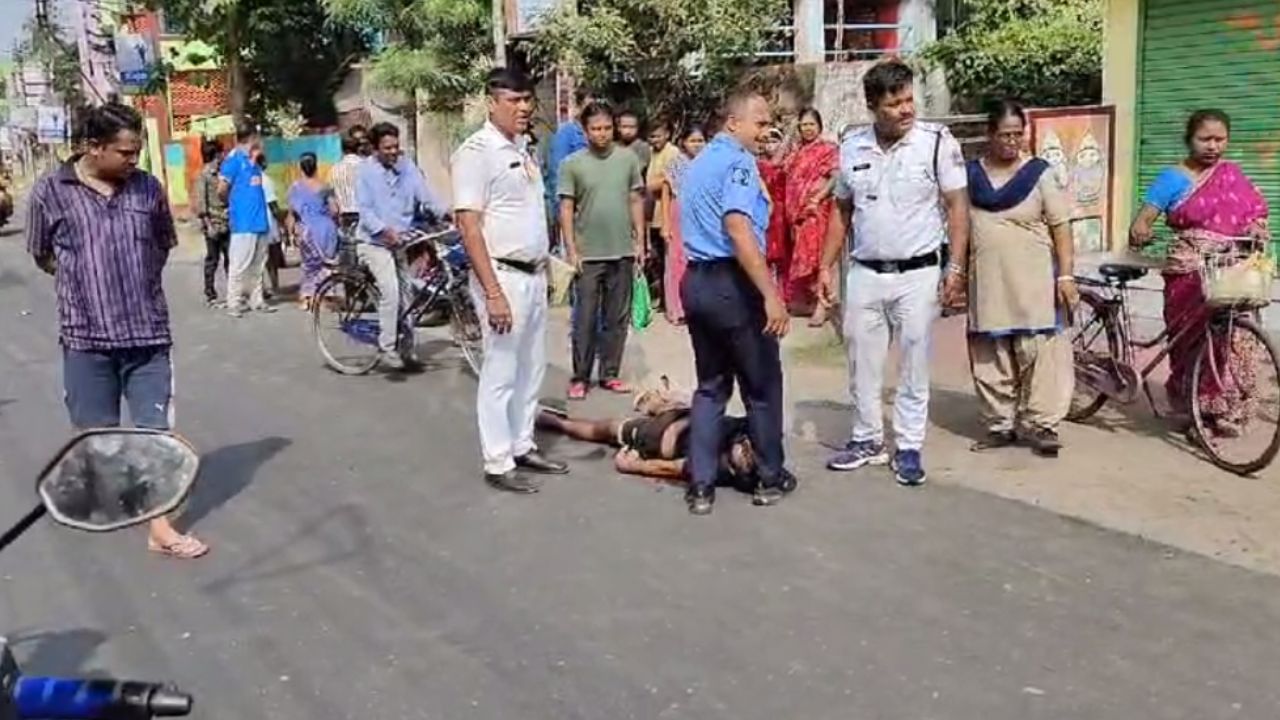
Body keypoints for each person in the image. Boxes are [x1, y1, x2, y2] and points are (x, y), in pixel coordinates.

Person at [26, 103, 208, 559]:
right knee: (97, 438)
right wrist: (87, 283)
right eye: (125, 152)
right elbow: (42, 253)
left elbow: (163, 244)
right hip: (86, 340)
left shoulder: (148, 189)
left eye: (137, 151)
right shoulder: (51, 192)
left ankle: (160, 528)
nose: (134, 160)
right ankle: (110, 501)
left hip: (147, 336)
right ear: (93, 147)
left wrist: (133, 282)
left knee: (155, 438)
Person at [816, 59, 970, 487]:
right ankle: (866, 439)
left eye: (908, 100)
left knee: (913, 363)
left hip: (919, 273)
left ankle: (907, 447)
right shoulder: (852, 145)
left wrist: (955, 265)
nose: (906, 110)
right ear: (872, 106)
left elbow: (957, 206)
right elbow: (841, 210)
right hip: (864, 272)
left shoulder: (936, 142)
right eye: (894, 103)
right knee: (861, 361)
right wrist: (825, 266)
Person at [678, 90, 797, 516]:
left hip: (696, 283)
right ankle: (769, 476)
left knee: (710, 388)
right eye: (760, 123)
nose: (766, 131)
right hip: (732, 282)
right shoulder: (737, 163)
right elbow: (738, 228)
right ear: (734, 123)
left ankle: (701, 485)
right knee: (761, 386)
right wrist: (770, 295)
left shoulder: (698, 163)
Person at [453, 67, 569, 493]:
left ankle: (522, 444)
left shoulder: (524, 149)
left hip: (534, 275)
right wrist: (493, 292)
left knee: (532, 366)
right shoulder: (476, 152)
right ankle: (498, 461)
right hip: (501, 276)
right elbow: (469, 226)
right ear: (491, 102)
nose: (523, 108)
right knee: (501, 369)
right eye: (513, 100)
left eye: (527, 100)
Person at [1130, 109, 1271, 435]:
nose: (1213, 146)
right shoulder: (1172, 178)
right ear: (1189, 139)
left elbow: (1253, 213)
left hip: (1230, 270)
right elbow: (1143, 221)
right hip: (1188, 272)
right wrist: (1140, 232)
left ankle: (1223, 409)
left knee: (1233, 338)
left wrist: (1257, 227)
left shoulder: (1231, 174)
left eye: (1220, 139)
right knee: (1191, 342)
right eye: (1204, 139)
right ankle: (1192, 409)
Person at [965, 101, 1077, 457]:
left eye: (1017, 134)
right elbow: (957, 225)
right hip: (988, 281)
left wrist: (1066, 275)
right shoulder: (971, 176)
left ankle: (1042, 424)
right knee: (991, 352)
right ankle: (999, 425)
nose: (1012, 142)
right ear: (989, 134)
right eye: (1004, 135)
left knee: (1039, 351)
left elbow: (1061, 227)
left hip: (1034, 282)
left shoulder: (1039, 174)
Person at [559, 103, 647, 400]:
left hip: (622, 251)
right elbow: (567, 208)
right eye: (595, 129)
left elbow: (635, 200)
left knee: (616, 317)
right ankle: (580, 376)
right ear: (585, 132)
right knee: (584, 318)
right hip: (587, 255)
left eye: (607, 128)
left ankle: (610, 373)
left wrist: (640, 242)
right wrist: (571, 249)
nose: (602, 134)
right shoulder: (572, 164)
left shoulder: (628, 159)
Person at [534, 380, 773, 488]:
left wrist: (634, 466)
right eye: (748, 448)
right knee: (682, 404)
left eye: (745, 456)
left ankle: (555, 422)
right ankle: (656, 400)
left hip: (661, 434)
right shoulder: (751, 434)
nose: (746, 450)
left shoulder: (721, 468)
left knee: (607, 429)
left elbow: (670, 468)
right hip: (689, 417)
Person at [355, 121, 448, 370]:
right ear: (375, 149)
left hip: (401, 244)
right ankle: (386, 346)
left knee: (408, 297)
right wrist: (383, 230)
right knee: (391, 290)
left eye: (396, 146)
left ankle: (407, 351)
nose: (393, 152)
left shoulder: (408, 168)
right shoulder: (365, 172)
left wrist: (446, 213)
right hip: (373, 243)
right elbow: (364, 210)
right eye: (387, 148)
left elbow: (425, 195)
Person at [783, 108, 839, 324]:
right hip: (797, 216)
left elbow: (835, 176)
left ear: (820, 126)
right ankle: (807, 301)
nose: (807, 129)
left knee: (817, 259)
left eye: (811, 124)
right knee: (803, 259)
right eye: (803, 125)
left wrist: (818, 197)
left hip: (816, 213)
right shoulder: (796, 152)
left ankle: (821, 306)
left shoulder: (827, 149)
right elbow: (779, 165)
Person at [218, 123, 273, 318]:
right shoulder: (233, 160)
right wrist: (231, 205)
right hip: (243, 222)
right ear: (251, 137)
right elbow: (221, 189)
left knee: (258, 264)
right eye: (258, 137)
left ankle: (257, 300)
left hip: (259, 220)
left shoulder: (255, 161)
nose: (261, 141)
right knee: (239, 264)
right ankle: (233, 301)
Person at [659, 124, 708, 325]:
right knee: (677, 261)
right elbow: (665, 193)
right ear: (683, 143)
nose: (696, 145)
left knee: (699, 262)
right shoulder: (676, 163)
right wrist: (665, 223)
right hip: (679, 214)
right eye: (692, 140)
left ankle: (699, 308)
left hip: (702, 217)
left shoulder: (709, 163)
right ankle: (678, 309)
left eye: (700, 141)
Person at [288, 152, 341, 309]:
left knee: (309, 264)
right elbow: (334, 210)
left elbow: (292, 213)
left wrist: (291, 232)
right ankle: (323, 296)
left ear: (301, 167)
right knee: (326, 264)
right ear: (316, 166)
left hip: (306, 230)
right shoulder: (325, 187)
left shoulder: (295, 187)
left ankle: (307, 297)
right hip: (325, 229)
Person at [546, 86, 597, 244]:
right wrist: (561, 210)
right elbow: (557, 172)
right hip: (574, 207)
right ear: (579, 106)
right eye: (588, 107)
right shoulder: (567, 133)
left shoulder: (599, 133)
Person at [191, 138, 230, 307]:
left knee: (231, 258)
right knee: (212, 260)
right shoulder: (205, 175)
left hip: (227, 221)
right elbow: (201, 202)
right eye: (221, 153)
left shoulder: (223, 173)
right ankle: (210, 293)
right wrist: (208, 225)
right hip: (213, 223)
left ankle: (233, 292)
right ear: (216, 155)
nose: (224, 155)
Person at [757, 127, 789, 304]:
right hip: (765, 212)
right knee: (766, 255)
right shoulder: (757, 165)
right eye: (767, 141)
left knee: (783, 256)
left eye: (775, 141)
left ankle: (783, 295)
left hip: (783, 213)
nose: (771, 145)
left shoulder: (789, 164)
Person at [330, 125, 369, 236]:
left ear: (342, 149)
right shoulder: (365, 166)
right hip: (362, 214)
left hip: (344, 215)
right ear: (357, 148)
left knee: (348, 248)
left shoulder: (335, 168)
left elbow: (333, 194)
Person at [258, 153, 285, 301]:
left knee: (259, 259)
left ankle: (260, 288)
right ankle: (275, 287)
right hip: (268, 223)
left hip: (254, 223)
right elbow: (272, 205)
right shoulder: (265, 180)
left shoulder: (249, 180)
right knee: (271, 259)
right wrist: (281, 220)